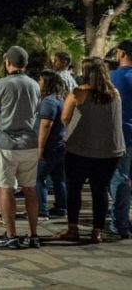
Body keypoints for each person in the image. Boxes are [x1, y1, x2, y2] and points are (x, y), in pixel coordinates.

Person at [54, 57, 125, 244]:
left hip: (80, 150)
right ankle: (97, 231)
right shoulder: (115, 94)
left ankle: (73, 228)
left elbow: (64, 117)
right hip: (110, 152)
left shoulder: (78, 92)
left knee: (74, 189)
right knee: (100, 191)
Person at [0, 46, 41, 249]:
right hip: (29, 143)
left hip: (6, 144)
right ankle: (34, 234)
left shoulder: (0, 85)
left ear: (7, 63)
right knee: (30, 189)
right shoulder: (34, 85)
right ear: (25, 64)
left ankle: (11, 234)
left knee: (6, 189)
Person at [35, 69, 67, 220]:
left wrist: (40, 147)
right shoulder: (60, 99)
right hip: (60, 145)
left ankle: (42, 211)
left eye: (41, 80)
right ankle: (61, 207)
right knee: (58, 178)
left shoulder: (48, 101)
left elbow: (46, 125)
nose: (39, 83)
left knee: (38, 178)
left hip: (49, 146)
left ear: (46, 82)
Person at [109, 40, 132, 239]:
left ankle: (120, 222)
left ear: (121, 53)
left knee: (119, 178)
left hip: (120, 134)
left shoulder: (112, 77)